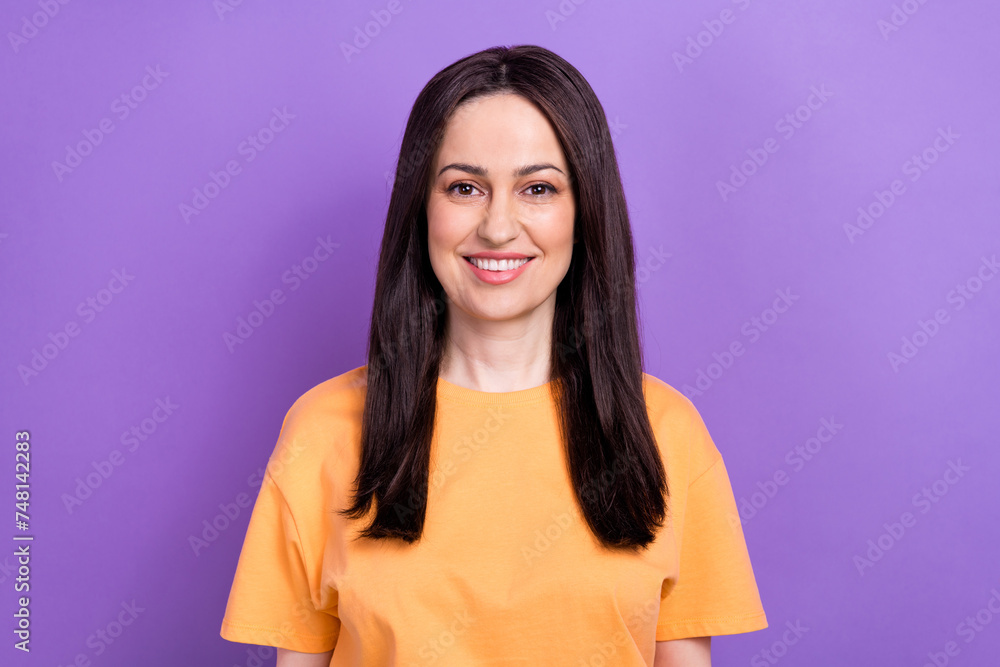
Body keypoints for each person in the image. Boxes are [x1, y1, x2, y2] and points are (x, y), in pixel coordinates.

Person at [220, 44, 767, 666]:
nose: (499, 227)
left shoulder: (668, 434)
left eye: (537, 188)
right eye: (464, 187)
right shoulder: (322, 430)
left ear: (584, 213)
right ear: (421, 208)